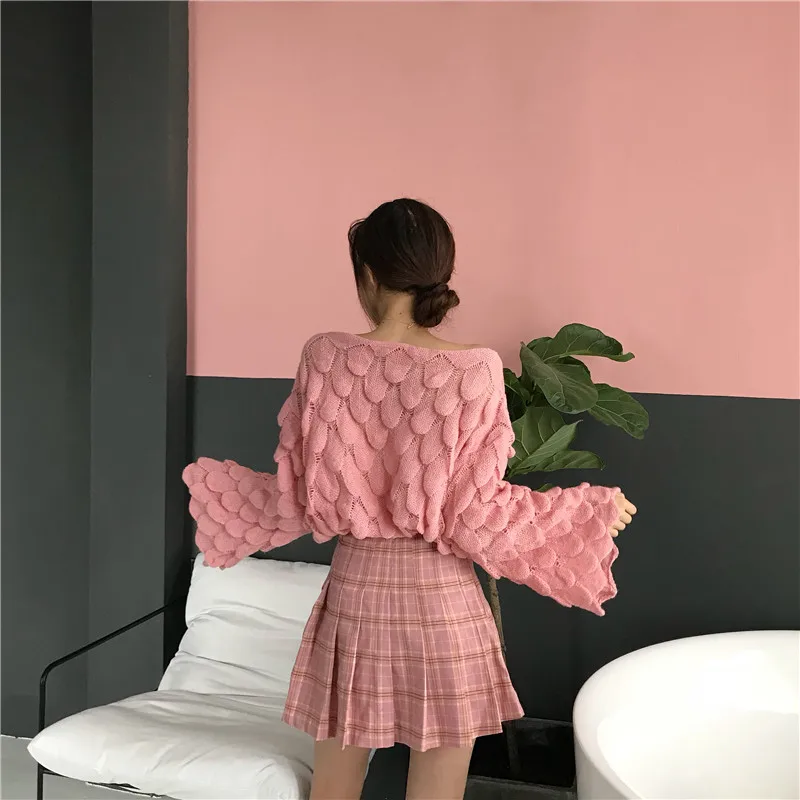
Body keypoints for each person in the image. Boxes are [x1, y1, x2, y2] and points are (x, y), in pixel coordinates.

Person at [182, 198, 637, 800]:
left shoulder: (325, 356)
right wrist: (584, 514)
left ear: (367, 274)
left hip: (356, 596)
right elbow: (479, 513)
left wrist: (225, 504)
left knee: (332, 791)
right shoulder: (477, 370)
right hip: (446, 606)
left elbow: (297, 491)